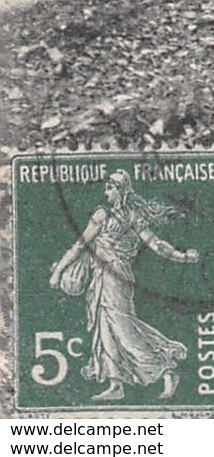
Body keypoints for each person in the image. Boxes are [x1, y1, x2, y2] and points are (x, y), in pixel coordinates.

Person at [49, 170, 199, 401]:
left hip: (115, 276)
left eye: (110, 188)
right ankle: (115, 384)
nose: (105, 192)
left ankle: (165, 369)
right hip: (103, 276)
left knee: (122, 328)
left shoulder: (115, 216)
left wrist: (182, 257)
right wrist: (183, 257)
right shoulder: (121, 216)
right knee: (106, 328)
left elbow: (81, 245)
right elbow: (155, 244)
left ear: (120, 190)